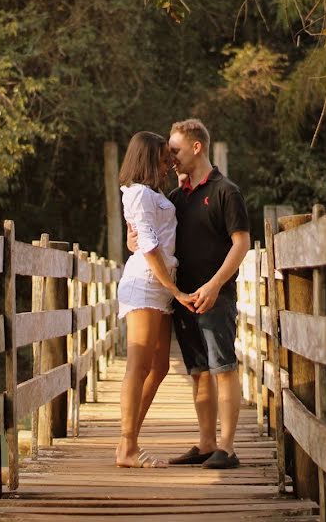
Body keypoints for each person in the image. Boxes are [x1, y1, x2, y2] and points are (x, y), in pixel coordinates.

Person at [127, 119, 250, 469]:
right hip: (183, 299)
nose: (171, 159)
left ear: (197, 148)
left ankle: (227, 447)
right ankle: (207, 443)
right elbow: (152, 237)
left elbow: (241, 244)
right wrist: (132, 241)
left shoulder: (227, 191)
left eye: (175, 151)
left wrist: (214, 286)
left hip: (216, 295)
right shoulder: (175, 199)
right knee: (198, 371)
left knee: (223, 367)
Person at [115, 131, 196, 468]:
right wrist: (175, 290)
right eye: (164, 157)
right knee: (139, 365)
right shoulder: (138, 194)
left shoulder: (151, 193)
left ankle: (128, 441)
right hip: (147, 284)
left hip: (159, 285)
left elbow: (148, 237)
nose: (168, 163)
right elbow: (147, 245)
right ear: (149, 158)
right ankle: (127, 446)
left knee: (160, 366)